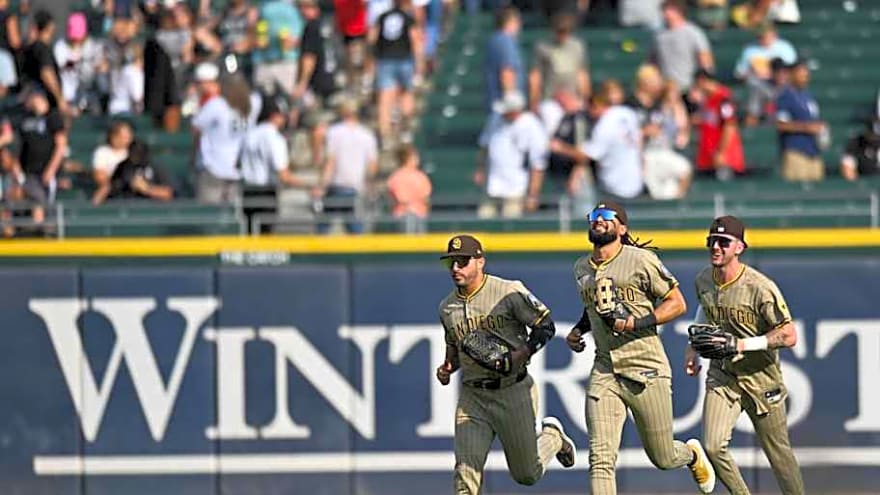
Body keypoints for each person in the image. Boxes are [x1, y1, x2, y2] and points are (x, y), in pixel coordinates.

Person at [565, 200, 716, 495]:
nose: (599, 220)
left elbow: (677, 303)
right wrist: (578, 329)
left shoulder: (639, 260)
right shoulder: (581, 267)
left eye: (608, 216)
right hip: (605, 368)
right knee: (600, 459)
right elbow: (594, 309)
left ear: (622, 228)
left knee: (663, 456)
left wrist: (636, 322)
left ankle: (691, 455)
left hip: (645, 367)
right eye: (595, 216)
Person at [436, 234, 577, 494]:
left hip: (513, 390)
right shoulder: (447, 308)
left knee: (527, 474)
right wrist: (447, 367)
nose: (455, 268)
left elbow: (545, 326)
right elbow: (455, 348)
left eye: (462, 261)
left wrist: (521, 354)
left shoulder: (508, 291)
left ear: (480, 261)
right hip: (473, 396)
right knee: (465, 473)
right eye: (451, 263)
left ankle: (553, 438)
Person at [685, 215, 805, 495]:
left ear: (739, 247)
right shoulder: (703, 279)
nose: (716, 247)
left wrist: (743, 345)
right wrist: (693, 346)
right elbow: (705, 308)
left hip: (761, 377)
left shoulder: (759, 287)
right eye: (712, 241)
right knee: (713, 446)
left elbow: (789, 335)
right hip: (724, 374)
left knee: (778, 454)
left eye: (724, 242)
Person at [475, 91, 547, 218]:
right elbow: (485, 145)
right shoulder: (495, 119)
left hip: (516, 189)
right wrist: (480, 168)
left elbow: (538, 163)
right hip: (491, 186)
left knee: (510, 226)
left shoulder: (532, 125)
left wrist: (532, 194)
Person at [191, 63, 249, 204]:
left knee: (210, 216)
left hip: (214, 168)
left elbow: (195, 127)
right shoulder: (244, 107)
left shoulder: (217, 104)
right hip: (231, 169)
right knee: (228, 217)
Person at [370, 0, 421, 145]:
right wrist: (419, 65)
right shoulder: (408, 18)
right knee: (406, 94)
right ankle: (405, 129)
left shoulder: (383, 17)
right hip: (404, 59)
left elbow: (372, 39)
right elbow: (415, 41)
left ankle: (385, 134)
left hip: (385, 59)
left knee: (385, 99)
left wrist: (373, 58)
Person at [733, 23, 796, 127]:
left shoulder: (785, 48)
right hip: (759, 87)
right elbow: (740, 73)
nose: (763, 38)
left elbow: (792, 71)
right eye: (761, 36)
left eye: (766, 35)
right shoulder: (750, 50)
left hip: (782, 87)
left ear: (774, 34)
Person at [775, 59, 826, 182]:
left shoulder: (808, 96)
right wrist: (806, 127)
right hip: (796, 153)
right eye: (801, 72)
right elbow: (781, 125)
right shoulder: (785, 96)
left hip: (813, 152)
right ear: (791, 74)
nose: (805, 75)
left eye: (806, 72)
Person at [528, 12, 590, 111]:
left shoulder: (577, 47)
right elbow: (536, 75)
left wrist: (585, 97)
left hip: (572, 100)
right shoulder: (542, 47)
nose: (562, 34)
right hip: (550, 101)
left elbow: (581, 73)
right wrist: (534, 100)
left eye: (565, 31)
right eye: (559, 31)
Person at [692, 69, 746, 180]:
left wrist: (721, 153)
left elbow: (730, 126)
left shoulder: (723, 98)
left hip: (724, 159)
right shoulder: (707, 100)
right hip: (708, 157)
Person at [651, 0, 714, 94]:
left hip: (688, 88)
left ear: (679, 11)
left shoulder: (693, 32)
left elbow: (706, 62)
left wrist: (698, 87)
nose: (665, 13)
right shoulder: (659, 35)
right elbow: (652, 62)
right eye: (664, 10)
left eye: (669, 9)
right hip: (666, 90)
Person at [485, 6, 524, 112]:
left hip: (496, 105)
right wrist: (512, 105)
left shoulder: (494, 40)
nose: (519, 26)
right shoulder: (506, 41)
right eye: (517, 21)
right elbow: (507, 72)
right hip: (506, 109)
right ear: (510, 21)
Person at [386, 144, 431, 233]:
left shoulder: (396, 176)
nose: (417, 159)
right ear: (408, 158)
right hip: (405, 216)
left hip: (417, 215)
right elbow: (401, 198)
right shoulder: (398, 177)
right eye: (415, 156)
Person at [91, 120, 134, 205]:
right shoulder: (102, 152)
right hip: (110, 187)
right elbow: (99, 175)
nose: (128, 139)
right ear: (114, 137)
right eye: (124, 136)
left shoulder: (133, 152)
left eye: (128, 136)